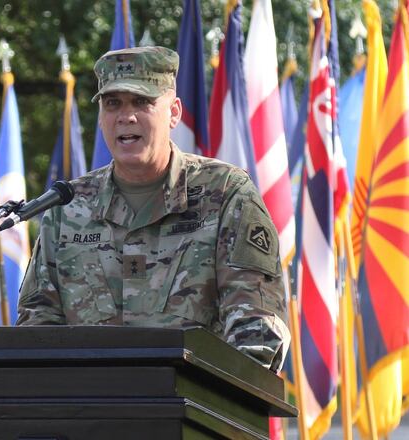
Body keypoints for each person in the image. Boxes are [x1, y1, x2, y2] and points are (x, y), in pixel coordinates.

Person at [16, 46, 290, 372]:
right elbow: (38, 324)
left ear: (174, 112)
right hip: (89, 411)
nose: (126, 116)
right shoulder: (68, 204)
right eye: (112, 103)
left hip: (195, 409)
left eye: (142, 102)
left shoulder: (226, 193)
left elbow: (255, 326)